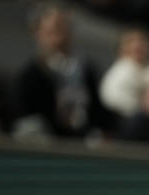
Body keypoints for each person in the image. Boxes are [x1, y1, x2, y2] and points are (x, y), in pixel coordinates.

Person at [13, 4, 115, 139]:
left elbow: (99, 111)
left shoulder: (87, 69)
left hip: (85, 139)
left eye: (62, 28)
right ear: (37, 33)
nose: (58, 35)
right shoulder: (31, 75)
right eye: (52, 30)